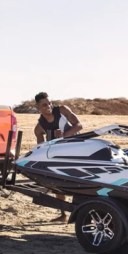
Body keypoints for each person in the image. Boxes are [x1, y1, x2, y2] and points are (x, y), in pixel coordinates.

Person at [33, 92, 83, 222]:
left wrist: (64, 135)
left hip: (76, 150)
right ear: (38, 107)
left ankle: (80, 212)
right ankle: (63, 215)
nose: (49, 106)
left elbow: (79, 125)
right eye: (44, 105)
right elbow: (42, 148)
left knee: (79, 183)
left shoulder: (62, 110)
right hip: (60, 155)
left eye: (49, 103)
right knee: (57, 183)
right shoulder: (40, 127)